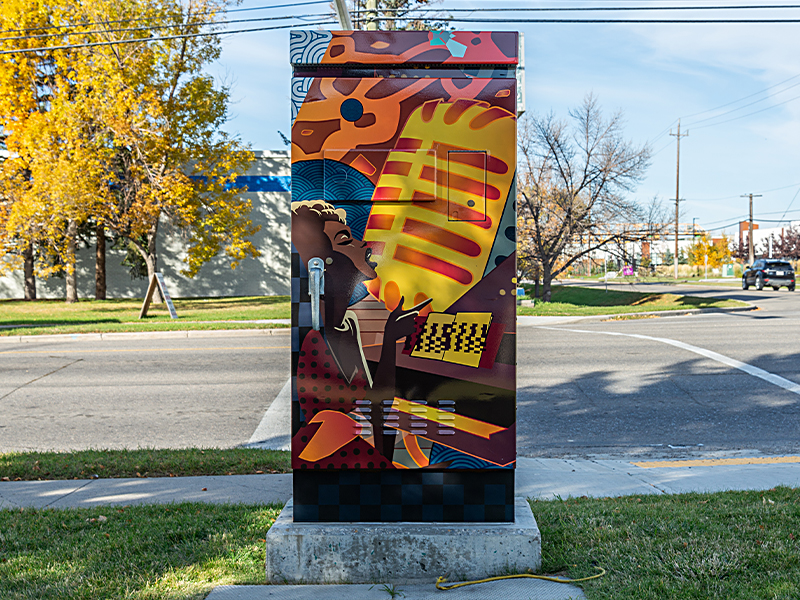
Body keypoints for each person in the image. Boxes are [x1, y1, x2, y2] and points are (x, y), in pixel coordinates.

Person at [291, 200, 430, 463]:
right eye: (346, 240)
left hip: (357, 459)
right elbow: (362, 417)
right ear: (323, 265)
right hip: (334, 462)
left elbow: (376, 404)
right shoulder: (316, 340)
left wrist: (390, 337)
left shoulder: (347, 324)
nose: (363, 245)